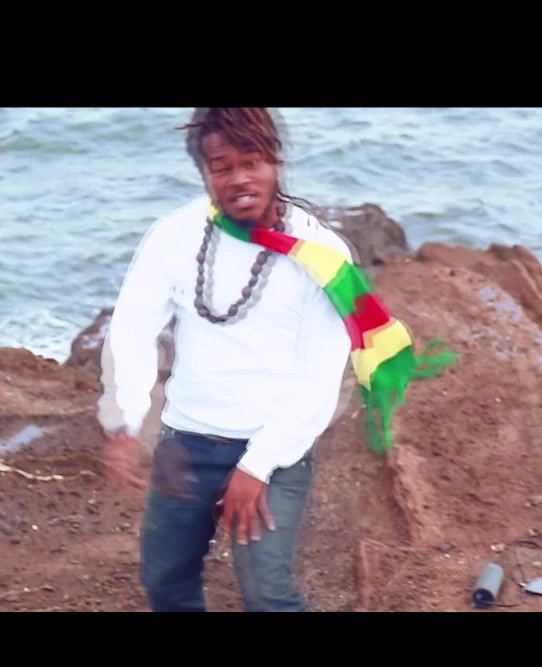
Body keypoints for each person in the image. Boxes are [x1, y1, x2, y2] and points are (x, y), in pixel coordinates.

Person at [97, 107, 354, 612]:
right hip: (185, 442)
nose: (239, 179)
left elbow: (322, 380)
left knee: (267, 594)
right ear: (204, 173)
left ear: (275, 161)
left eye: (251, 162)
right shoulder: (174, 237)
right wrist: (124, 419)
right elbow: (132, 329)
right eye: (221, 167)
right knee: (165, 582)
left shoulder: (323, 255)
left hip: (274, 452)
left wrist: (256, 467)